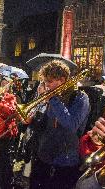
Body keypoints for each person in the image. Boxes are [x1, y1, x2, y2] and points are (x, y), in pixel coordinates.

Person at [29, 60, 90, 189]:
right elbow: (43, 126)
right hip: (44, 157)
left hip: (65, 161)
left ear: (62, 80)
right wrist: (32, 120)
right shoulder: (53, 98)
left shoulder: (80, 98)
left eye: (49, 82)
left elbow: (71, 125)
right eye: (45, 82)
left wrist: (52, 100)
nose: (46, 86)